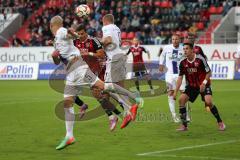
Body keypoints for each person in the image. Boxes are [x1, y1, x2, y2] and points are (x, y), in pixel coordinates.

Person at [49, 15, 143, 150]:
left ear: (52, 26)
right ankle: (69, 136)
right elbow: (58, 60)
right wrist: (55, 56)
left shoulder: (61, 31)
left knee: (103, 87)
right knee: (68, 102)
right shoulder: (56, 39)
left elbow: (74, 36)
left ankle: (134, 98)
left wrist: (71, 32)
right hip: (70, 73)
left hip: (79, 68)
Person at [73, 24, 122, 131]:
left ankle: (122, 108)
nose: (80, 36)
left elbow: (101, 54)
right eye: (79, 34)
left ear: (86, 32)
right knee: (98, 96)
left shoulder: (93, 41)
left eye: (82, 33)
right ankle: (114, 115)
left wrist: (89, 53)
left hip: (98, 69)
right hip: (87, 71)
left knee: (105, 93)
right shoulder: (75, 42)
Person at [173, 42, 226, 131]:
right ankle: (184, 125)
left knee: (208, 102)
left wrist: (204, 83)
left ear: (192, 49)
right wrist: (175, 92)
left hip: (204, 84)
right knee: (181, 100)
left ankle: (220, 122)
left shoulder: (200, 59)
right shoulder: (182, 62)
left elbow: (209, 72)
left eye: (187, 49)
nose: (185, 51)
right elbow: (180, 77)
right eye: (184, 49)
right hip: (192, 86)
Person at [101, 14, 141, 128]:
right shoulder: (116, 28)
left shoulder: (106, 27)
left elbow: (107, 41)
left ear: (105, 21)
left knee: (107, 87)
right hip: (121, 57)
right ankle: (128, 112)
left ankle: (132, 101)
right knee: (119, 87)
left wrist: (98, 42)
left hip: (114, 59)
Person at [159, 34, 185, 123]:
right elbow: (162, 56)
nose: (174, 41)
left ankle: (185, 114)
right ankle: (174, 116)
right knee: (170, 93)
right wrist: (161, 64)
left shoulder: (184, 48)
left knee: (184, 94)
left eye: (176, 39)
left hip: (180, 74)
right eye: (173, 39)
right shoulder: (167, 47)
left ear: (179, 40)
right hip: (169, 74)